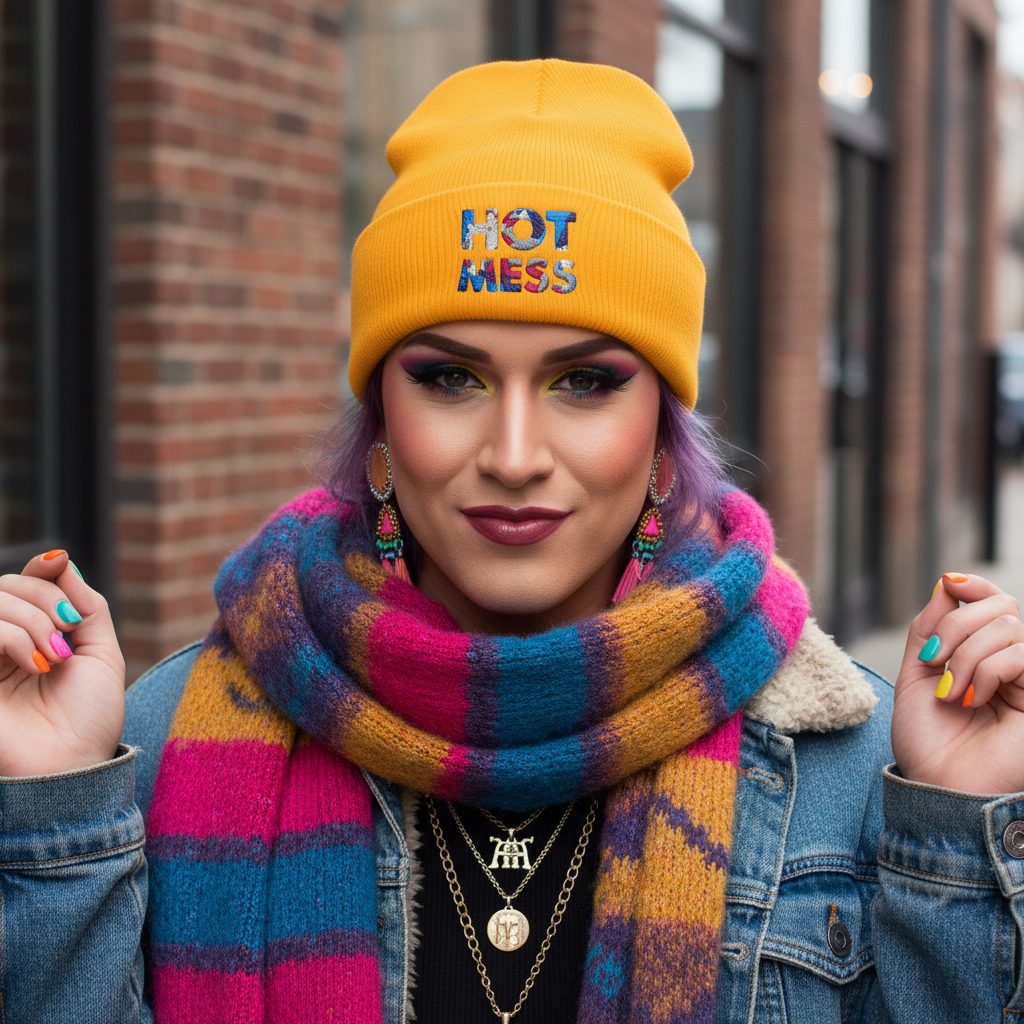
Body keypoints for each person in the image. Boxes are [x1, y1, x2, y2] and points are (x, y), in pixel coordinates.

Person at [2, 59, 1023, 1024]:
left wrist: (957, 830)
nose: (515, 453)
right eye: (450, 377)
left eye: (586, 380)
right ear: (379, 430)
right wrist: (51, 807)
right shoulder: (158, 742)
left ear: (663, 438)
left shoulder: (851, 761)